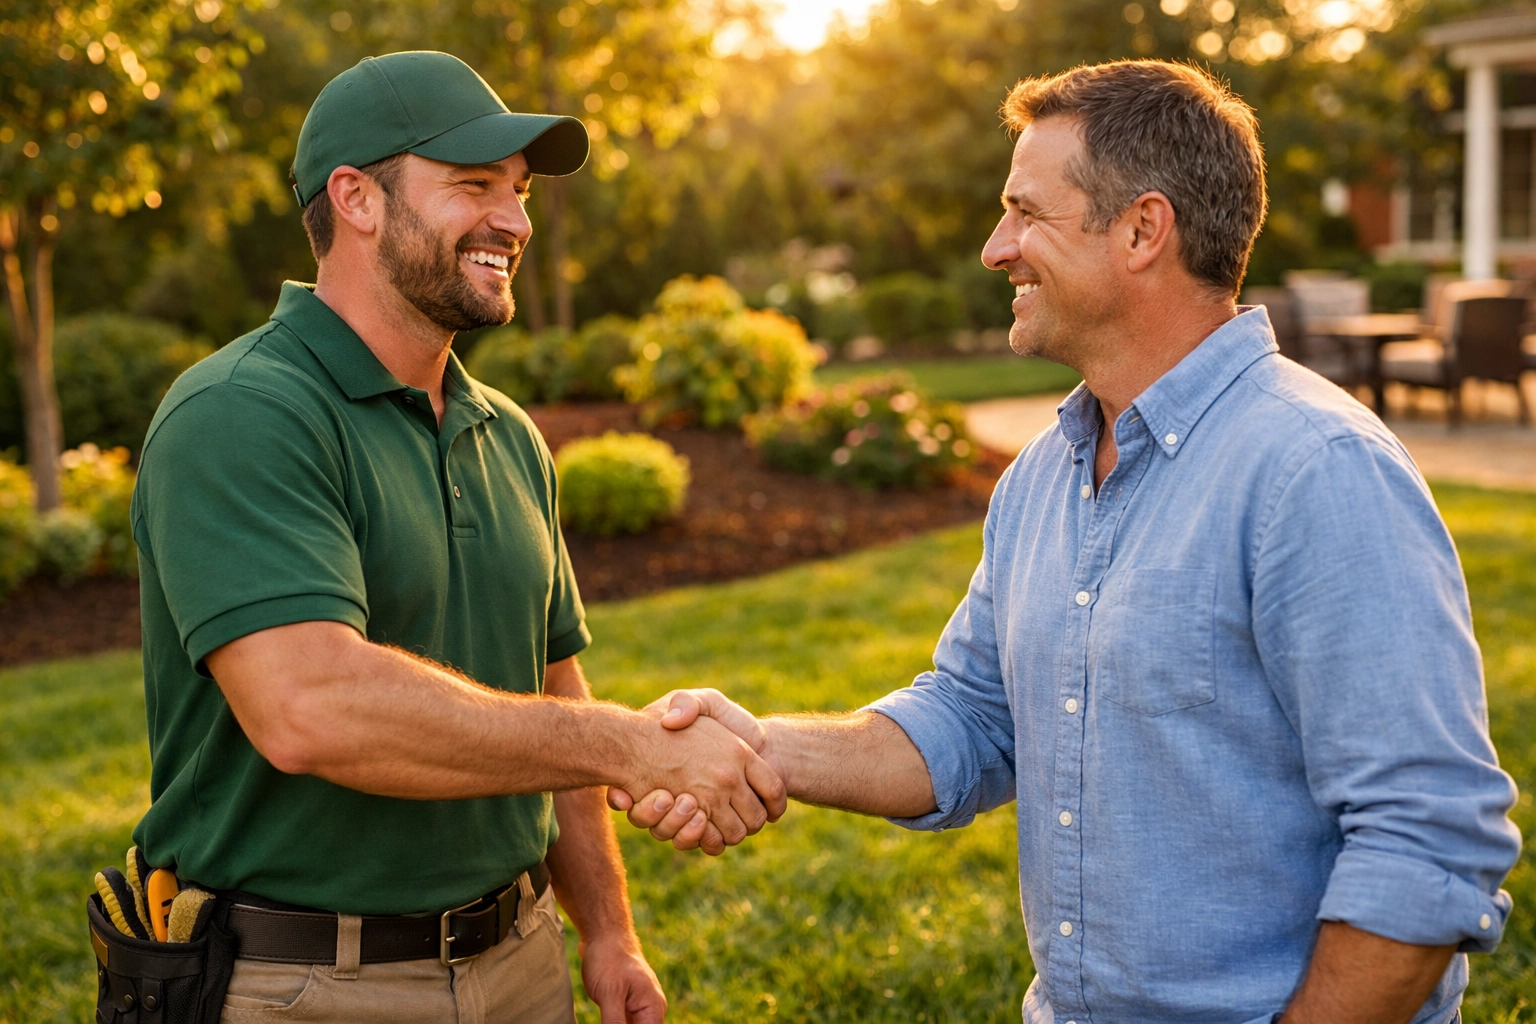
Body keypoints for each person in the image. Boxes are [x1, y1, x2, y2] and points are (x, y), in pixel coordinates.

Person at [613, 60, 1521, 1024]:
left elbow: (1427, 846)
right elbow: (969, 717)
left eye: (1026, 213)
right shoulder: (1045, 474)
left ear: (1141, 230)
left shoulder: (1316, 470)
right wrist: (759, 744)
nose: (995, 247)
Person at [129, 51, 783, 1024]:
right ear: (355, 197)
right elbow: (310, 705)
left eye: (517, 192)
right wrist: (630, 747)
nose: (515, 220)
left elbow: (553, 693)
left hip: (520, 958)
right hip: (303, 983)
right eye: (473, 186)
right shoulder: (242, 413)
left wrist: (608, 931)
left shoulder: (509, 435)